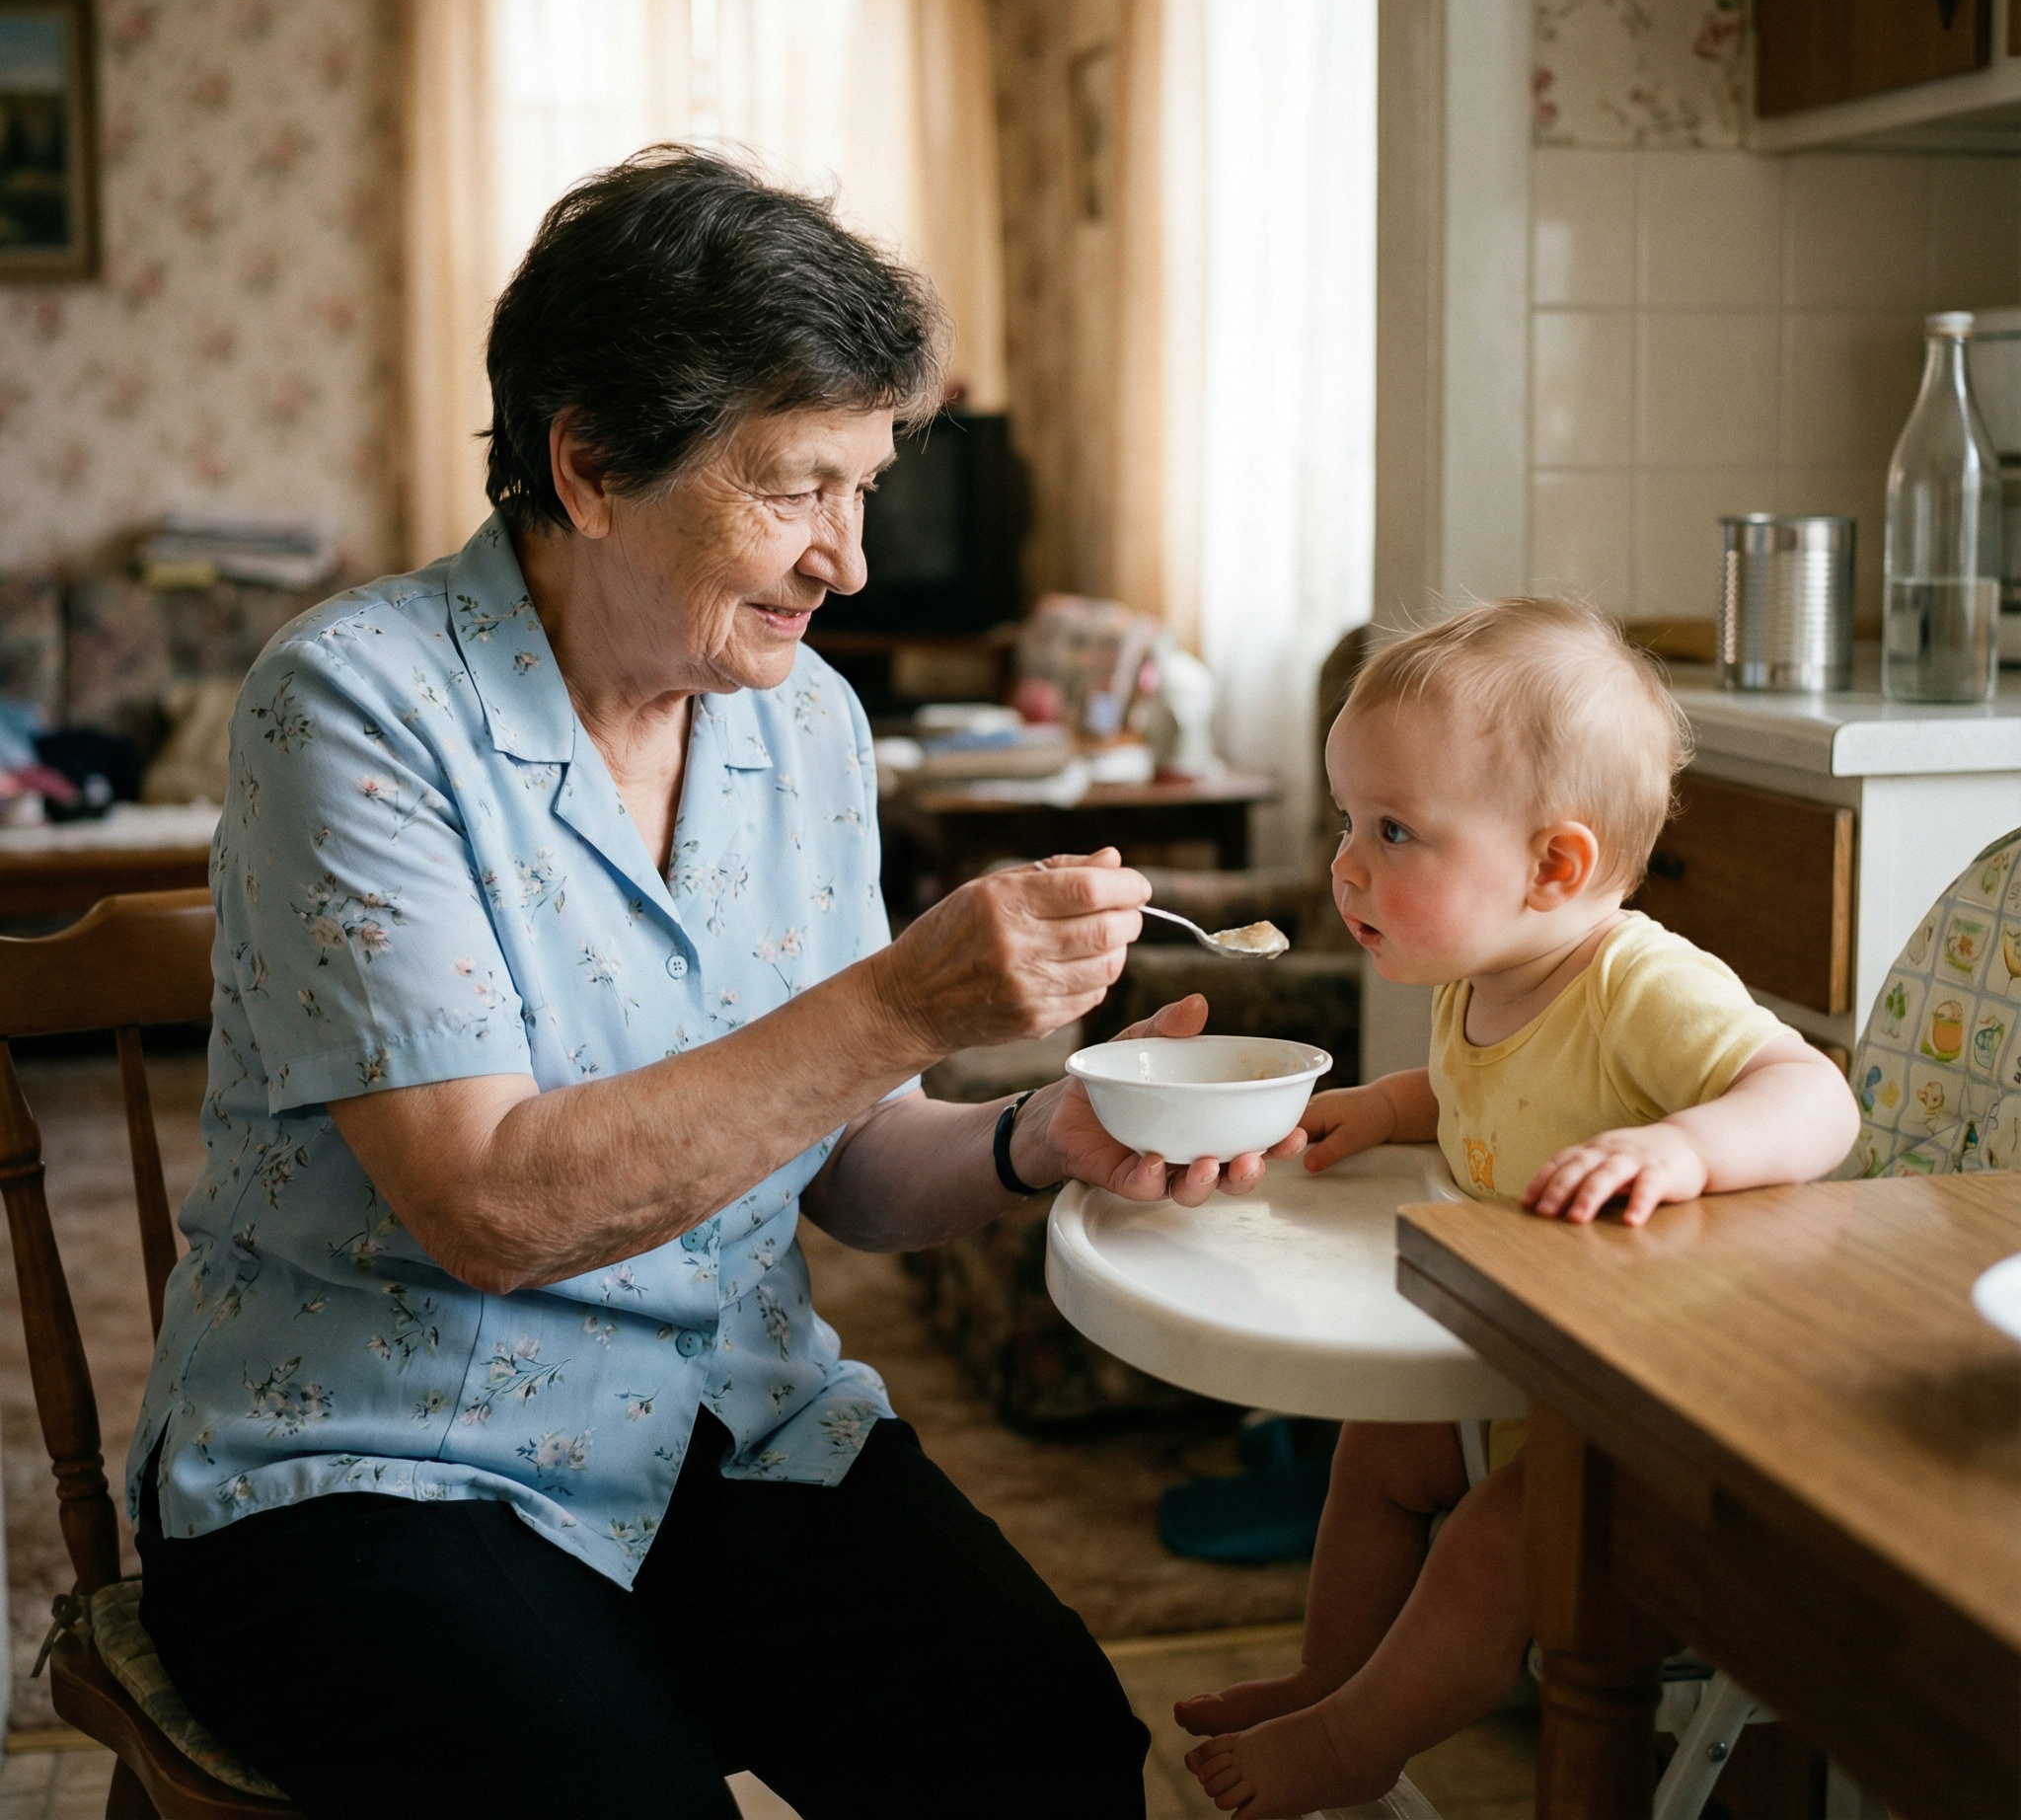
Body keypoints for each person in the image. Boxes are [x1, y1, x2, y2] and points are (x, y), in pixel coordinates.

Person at [128, 147, 1298, 1820]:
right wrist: (903, 995)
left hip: (718, 1420)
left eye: (867, 485)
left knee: (1039, 1739)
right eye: (794, 485)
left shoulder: (800, 722)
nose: (849, 560)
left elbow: (853, 1166)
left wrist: (1042, 1134)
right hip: (368, 1462)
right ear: (589, 464)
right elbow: (488, 1208)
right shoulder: (354, 707)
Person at [1178, 597, 1860, 1819]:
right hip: (1549, 1376)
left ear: (1555, 866)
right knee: (1378, 1446)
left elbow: (1815, 1099)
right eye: (1346, 821)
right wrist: (1389, 1108)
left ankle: (1358, 1740)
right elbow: (1493, 1103)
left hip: (1672, 1421)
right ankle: (1331, 1677)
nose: (1345, 864)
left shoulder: (1637, 981)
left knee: (1494, 1543)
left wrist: (1685, 1145)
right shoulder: (1484, 976)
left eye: (1393, 830)